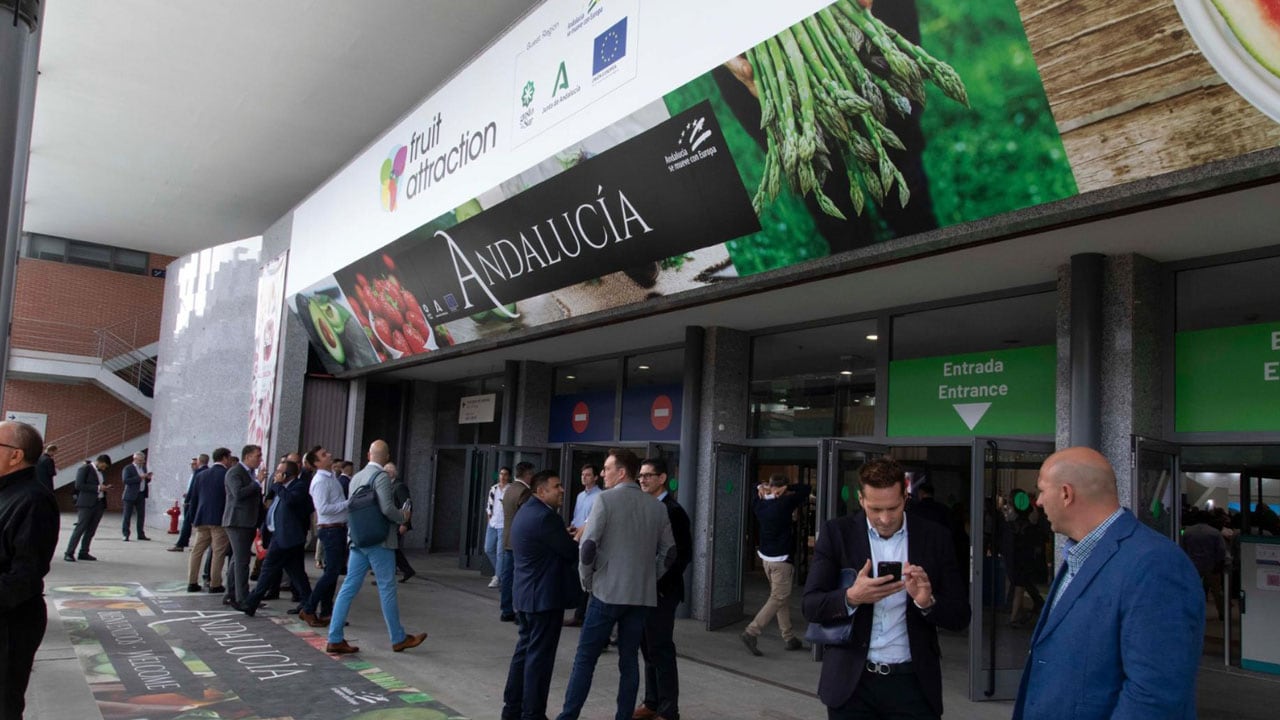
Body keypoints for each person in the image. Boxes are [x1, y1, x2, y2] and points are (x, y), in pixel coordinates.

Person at [1012, 447, 1204, 720]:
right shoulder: (1080, 554)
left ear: (1066, 493)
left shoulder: (1155, 564)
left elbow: (1154, 693)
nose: (1038, 502)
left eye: (1042, 490)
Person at [803, 456, 969, 720]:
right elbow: (810, 605)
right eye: (875, 509)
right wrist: (851, 597)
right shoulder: (837, 533)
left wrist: (927, 603)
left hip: (913, 685)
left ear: (906, 495)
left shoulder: (935, 537)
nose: (884, 518)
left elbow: (961, 615)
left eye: (893, 508)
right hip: (852, 685)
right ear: (860, 499)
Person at [556, 448, 676, 720]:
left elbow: (588, 547)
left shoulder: (606, 501)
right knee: (629, 659)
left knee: (585, 659)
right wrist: (649, 576)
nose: (602, 474)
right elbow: (670, 553)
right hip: (641, 596)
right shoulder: (657, 507)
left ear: (621, 472)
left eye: (607, 469)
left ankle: (568, 716)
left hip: (606, 593)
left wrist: (587, 580)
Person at [324, 439, 427, 655]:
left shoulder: (356, 478)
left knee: (348, 587)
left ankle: (334, 637)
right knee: (387, 587)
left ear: (369, 456)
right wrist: (403, 517)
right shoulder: (380, 477)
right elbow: (387, 508)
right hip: (379, 541)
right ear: (387, 457)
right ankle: (398, 638)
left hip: (358, 540)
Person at [502, 469, 579, 720]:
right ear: (541, 490)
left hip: (526, 597)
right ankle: (533, 713)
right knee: (539, 660)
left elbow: (548, 545)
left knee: (524, 654)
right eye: (557, 486)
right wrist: (579, 537)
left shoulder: (528, 512)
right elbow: (570, 552)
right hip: (543, 600)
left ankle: (512, 709)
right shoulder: (546, 518)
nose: (562, 490)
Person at [0, 421, 60, 719]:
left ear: (15, 455)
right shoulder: (6, 492)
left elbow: (25, 574)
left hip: (11, 622)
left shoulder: (33, 500)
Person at [635, 457, 692, 720]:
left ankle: (669, 711)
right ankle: (652, 702)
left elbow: (682, 555)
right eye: (641, 476)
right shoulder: (644, 506)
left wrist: (659, 587)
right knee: (647, 648)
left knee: (661, 649)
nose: (643, 479)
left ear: (662, 479)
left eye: (648, 475)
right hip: (642, 591)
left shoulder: (673, 510)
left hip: (661, 592)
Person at [741, 474, 811, 655]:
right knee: (778, 598)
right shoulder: (784, 504)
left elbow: (753, 485)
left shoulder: (759, 503)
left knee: (781, 598)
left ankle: (788, 637)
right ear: (782, 488)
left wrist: (761, 487)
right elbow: (806, 489)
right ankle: (752, 631)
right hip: (781, 561)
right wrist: (785, 489)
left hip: (765, 559)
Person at [240, 459, 314, 616]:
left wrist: (278, 486)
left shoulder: (298, 486)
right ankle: (309, 603)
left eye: (279, 472)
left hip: (286, 537)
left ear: (288, 474)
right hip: (280, 536)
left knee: (267, 569)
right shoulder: (281, 489)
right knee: (296, 573)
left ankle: (250, 603)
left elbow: (290, 501)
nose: (276, 475)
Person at [301, 446, 345, 627]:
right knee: (331, 572)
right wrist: (347, 504)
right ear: (317, 463)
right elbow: (323, 508)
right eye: (324, 455)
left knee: (332, 572)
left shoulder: (331, 477)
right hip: (330, 529)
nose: (329, 455)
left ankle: (326, 611)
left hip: (337, 528)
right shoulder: (320, 481)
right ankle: (309, 608)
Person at [222, 444, 264, 604]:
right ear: (247, 456)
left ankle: (231, 593)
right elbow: (238, 494)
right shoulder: (235, 472)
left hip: (248, 521)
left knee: (237, 559)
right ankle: (243, 598)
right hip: (237, 521)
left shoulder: (250, 473)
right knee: (242, 560)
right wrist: (257, 483)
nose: (260, 459)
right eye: (257, 456)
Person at [186, 449, 232, 592]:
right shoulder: (227, 475)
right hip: (219, 519)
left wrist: (193, 518)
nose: (230, 460)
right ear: (224, 458)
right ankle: (215, 583)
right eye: (229, 458)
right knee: (218, 552)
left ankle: (192, 582)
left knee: (197, 551)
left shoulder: (201, 474)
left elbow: (193, 497)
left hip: (202, 518)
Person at [565, 463, 602, 627]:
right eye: (583, 474)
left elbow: (591, 521)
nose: (584, 477)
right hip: (576, 538)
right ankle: (579, 613)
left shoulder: (600, 496)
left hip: (587, 541)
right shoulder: (580, 496)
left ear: (595, 477)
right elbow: (577, 517)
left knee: (586, 580)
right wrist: (572, 528)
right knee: (577, 578)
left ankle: (581, 614)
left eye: (588, 475)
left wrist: (579, 533)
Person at [500, 461, 536, 622]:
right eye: (532, 474)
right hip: (521, 542)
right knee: (521, 578)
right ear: (527, 475)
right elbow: (527, 518)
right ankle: (519, 612)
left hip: (507, 538)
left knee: (507, 576)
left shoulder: (509, 490)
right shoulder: (525, 492)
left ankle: (506, 609)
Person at [64, 455, 112, 562]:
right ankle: (69, 552)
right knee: (80, 528)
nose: (104, 469)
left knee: (91, 530)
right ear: (100, 462)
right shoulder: (85, 469)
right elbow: (79, 485)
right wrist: (98, 488)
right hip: (86, 503)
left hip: (99, 503)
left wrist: (104, 488)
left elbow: (100, 484)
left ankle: (84, 552)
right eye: (104, 466)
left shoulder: (101, 473)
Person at [1182, 508, 1227, 621]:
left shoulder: (1188, 532)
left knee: (1192, 589)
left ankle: (1190, 612)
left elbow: (1182, 548)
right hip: (1211, 565)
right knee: (1217, 591)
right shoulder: (1214, 532)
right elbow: (1221, 550)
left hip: (1193, 566)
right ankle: (1222, 613)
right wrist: (1219, 563)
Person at [171, 454, 209, 551]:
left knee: (188, 523)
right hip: (201, 501)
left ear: (199, 462)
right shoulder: (208, 471)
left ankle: (181, 544)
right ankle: (185, 543)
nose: (192, 465)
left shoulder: (198, 472)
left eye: (194, 463)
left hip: (194, 502)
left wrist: (187, 500)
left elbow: (193, 488)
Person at [386, 462, 416, 582]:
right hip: (394, 522)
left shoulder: (399, 487)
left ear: (391, 473)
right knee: (393, 548)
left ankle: (405, 570)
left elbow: (407, 505)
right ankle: (406, 570)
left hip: (398, 522)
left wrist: (405, 523)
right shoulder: (391, 486)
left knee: (392, 548)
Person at [485, 466, 512, 588]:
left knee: (500, 553)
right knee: (488, 549)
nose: (503, 476)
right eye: (501, 474)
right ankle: (501, 573)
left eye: (505, 474)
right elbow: (489, 505)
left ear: (509, 476)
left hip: (503, 524)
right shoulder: (494, 488)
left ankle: (497, 577)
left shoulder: (510, 489)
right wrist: (489, 519)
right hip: (493, 523)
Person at [121, 450, 153, 540]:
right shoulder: (128, 468)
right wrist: (140, 477)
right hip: (130, 495)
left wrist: (148, 478)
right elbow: (126, 480)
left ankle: (141, 534)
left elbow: (145, 481)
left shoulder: (143, 468)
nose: (141, 462)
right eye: (140, 460)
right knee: (127, 515)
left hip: (141, 494)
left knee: (141, 515)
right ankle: (126, 534)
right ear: (134, 459)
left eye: (143, 460)